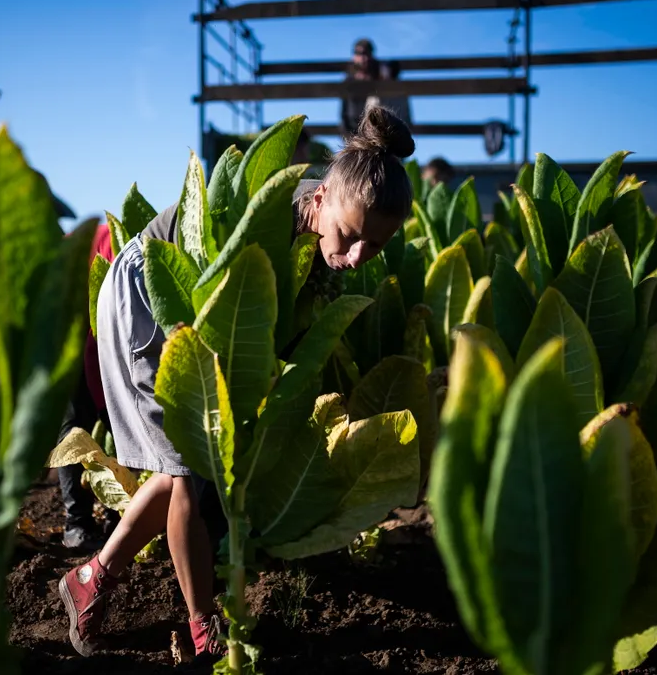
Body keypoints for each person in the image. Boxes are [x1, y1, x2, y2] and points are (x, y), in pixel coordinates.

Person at [57, 105, 417, 660]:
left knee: (188, 471)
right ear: (318, 200)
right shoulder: (270, 210)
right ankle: (203, 628)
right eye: (348, 237)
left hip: (192, 316)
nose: (355, 257)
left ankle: (92, 576)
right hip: (150, 295)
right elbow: (209, 288)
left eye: (374, 246)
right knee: (184, 471)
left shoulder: (322, 235)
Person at [56, 221, 120, 551]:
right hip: (67, 331)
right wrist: (107, 405)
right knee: (74, 425)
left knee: (113, 421)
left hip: (92, 329)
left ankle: (116, 515)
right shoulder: (114, 254)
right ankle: (77, 523)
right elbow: (98, 348)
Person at [340, 38, 381, 137]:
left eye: (366, 53)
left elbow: (394, 66)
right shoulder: (348, 79)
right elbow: (343, 111)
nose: (363, 58)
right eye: (358, 53)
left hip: (375, 131)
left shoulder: (379, 73)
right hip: (354, 132)